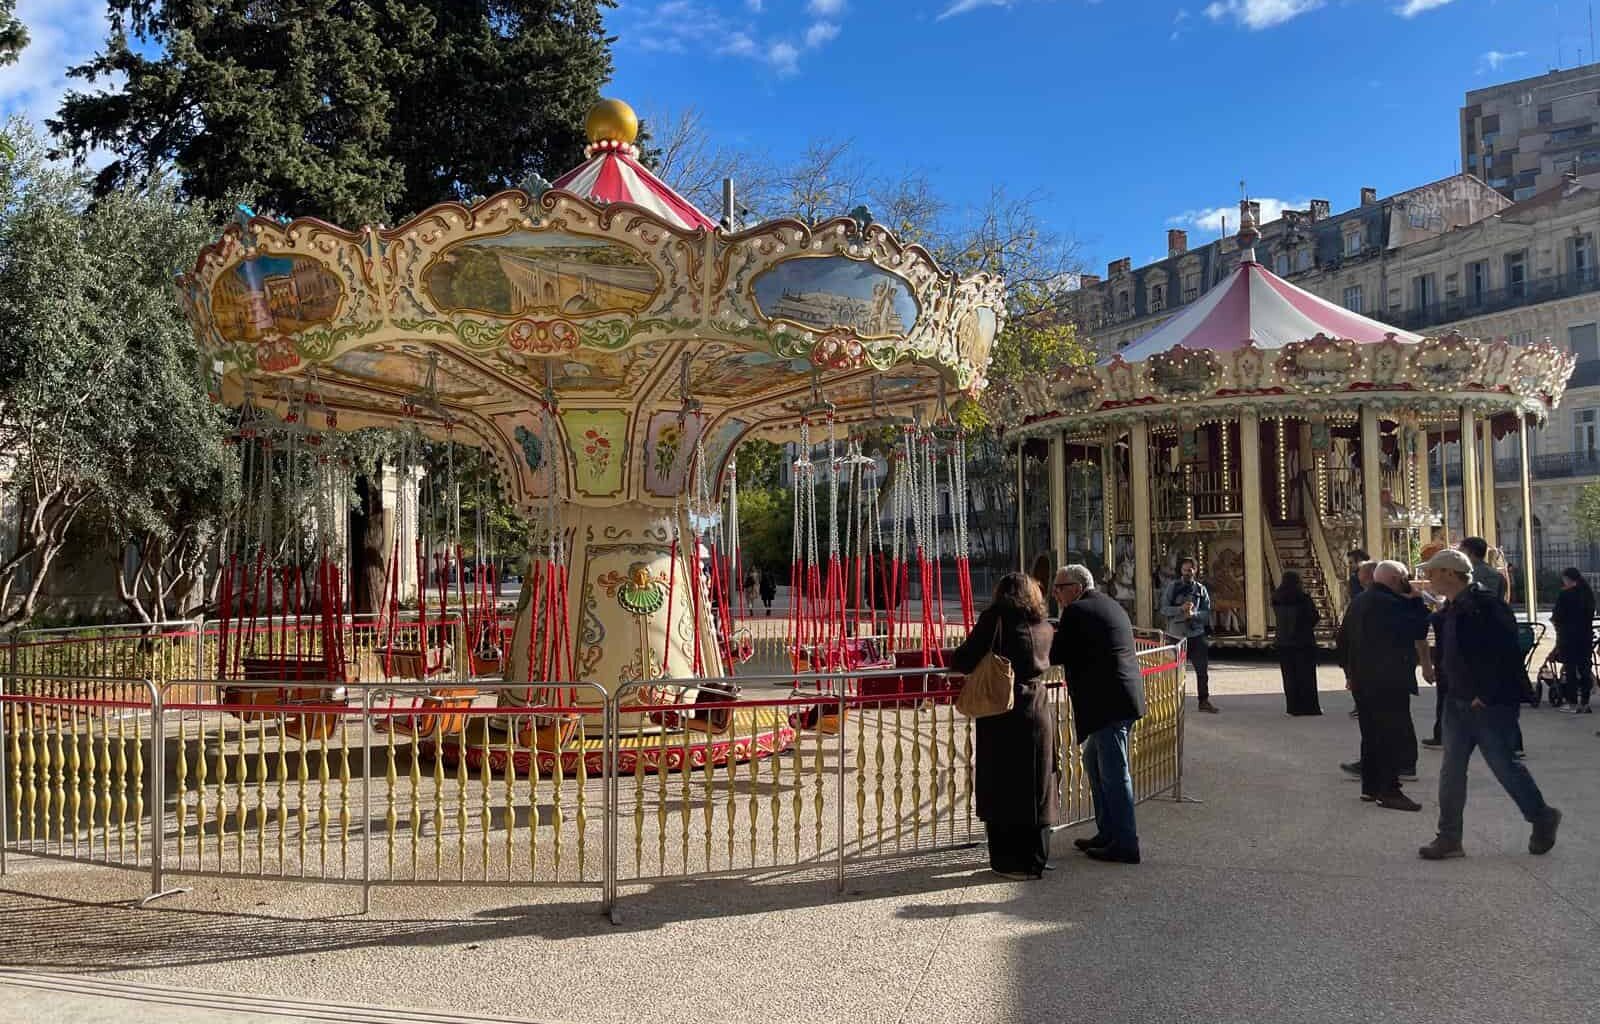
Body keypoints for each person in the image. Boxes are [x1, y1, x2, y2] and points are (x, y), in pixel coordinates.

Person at [1416, 549, 1562, 860]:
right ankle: (1449, 837)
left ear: (1451, 574)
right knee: (1451, 771)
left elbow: (1505, 654)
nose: (1429, 577)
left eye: (1434, 572)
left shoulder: (1486, 606)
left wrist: (1486, 692)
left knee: (1504, 766)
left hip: (1487, 703)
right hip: (1457, 700)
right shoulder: (1452, 608)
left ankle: (1541, 816)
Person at [948, 572, 1058, 879]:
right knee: (1037, 780)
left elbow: (966, 658)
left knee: (1003, 782)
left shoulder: (996, 619)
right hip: (1037, 705)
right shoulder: (1045, 625)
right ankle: (1037, 854)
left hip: (1003, 709)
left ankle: (1011, 860)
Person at [1050, 564, 1146, 864]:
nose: (1056, 594)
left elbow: (1055, 654)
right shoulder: (1107, 604)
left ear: (1076, 589)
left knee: (1115, 773)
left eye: (1059, 588)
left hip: (1107, 703)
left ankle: (1126, 843)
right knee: (1095, 761)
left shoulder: (1077, 612)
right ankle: (1109, 832)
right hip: (1121, 698)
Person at [1338, 560, 1430, 811]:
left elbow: (1342, 639)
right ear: (1395, 579)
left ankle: (1371, 786)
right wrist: (1416, 600)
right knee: (1390, 734)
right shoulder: (1392, 603)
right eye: (1404, 577)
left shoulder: (1359, 601)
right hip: (1389, 680)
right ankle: (1389, 789)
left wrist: (1350, 672)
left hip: (1363, 680)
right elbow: (1418, 628)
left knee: (1370, 735)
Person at [1160, 556, 1216, 713]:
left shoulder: (1200, 589)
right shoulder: (1172, 587)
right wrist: (1180, 609)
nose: (1187, 572)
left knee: (1202, 670)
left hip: (1196, 633)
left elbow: (1206, 613)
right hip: (1176, 635)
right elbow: (1163, 609)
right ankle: (1170, 703)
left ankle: (1203, 700)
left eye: (1190, 569)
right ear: (1180, 571)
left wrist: (1194, 614)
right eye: (1185, 570)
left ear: (1195, 570)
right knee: (1173, 671)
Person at [1272, 570, 1322, 715]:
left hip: (1283, 642)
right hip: (1303, 642)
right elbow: (1314, 617)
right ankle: (1310, 707)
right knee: (1306, 676)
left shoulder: (1276, 597)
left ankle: (1293, 708)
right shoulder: (1303, 597)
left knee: (1289, 676)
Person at [1550, 567, 1595, 713]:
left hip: (1568, 637)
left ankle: (1572, 703)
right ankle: (1585, 702)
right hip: (1585, 636)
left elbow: (1557, 615)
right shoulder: (1588, 594)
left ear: (1568, 579)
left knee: (1570, 670)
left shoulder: (1565, 595)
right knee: (1585, 669)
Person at [1456, 536, 1507, 601]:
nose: (1459, 553)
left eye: (1462, 550)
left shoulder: (1466, 575)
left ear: (1471, 552)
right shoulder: (1498, 575)